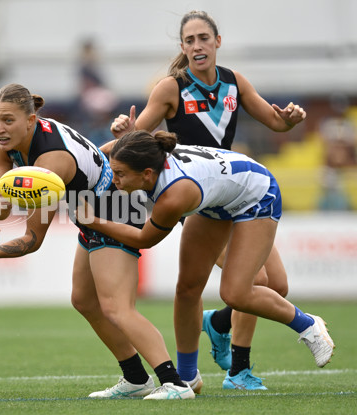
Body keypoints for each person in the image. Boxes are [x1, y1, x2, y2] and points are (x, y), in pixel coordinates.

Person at [110, 10, 306, 390]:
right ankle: (239, 372)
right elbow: (137, 135)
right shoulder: (171, 87)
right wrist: (123, 130)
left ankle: (216, 324)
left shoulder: (234, 82)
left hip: (237, 192)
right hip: (198, 198)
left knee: (276, 284)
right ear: (182, 48)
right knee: (256, 280)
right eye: (189, 40)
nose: (197, 46)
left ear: (217, 42)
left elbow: (276, 121)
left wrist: (291, 119)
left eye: (203, 38)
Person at [0, 83, 195, 400]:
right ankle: (137, 379)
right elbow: (0, 209)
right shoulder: (4, 144)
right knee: (84, 300)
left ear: (30, 120)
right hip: (89, 210)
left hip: (117, 207)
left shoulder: (50, 162)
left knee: (116, 307)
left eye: (8, 120)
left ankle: (175, 384)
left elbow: (32, 239)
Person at [77, 130, 335, 384]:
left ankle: (309, 325)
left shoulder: (173, 195)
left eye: (120, 174)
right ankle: (187, 377)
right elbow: (100, 153)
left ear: (146, 174)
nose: (115, 180)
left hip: (255, 195)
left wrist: (94, 221)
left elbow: (144, 239)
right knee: (187, 289)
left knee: (236, 293)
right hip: (215, 199)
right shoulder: (140, 157)